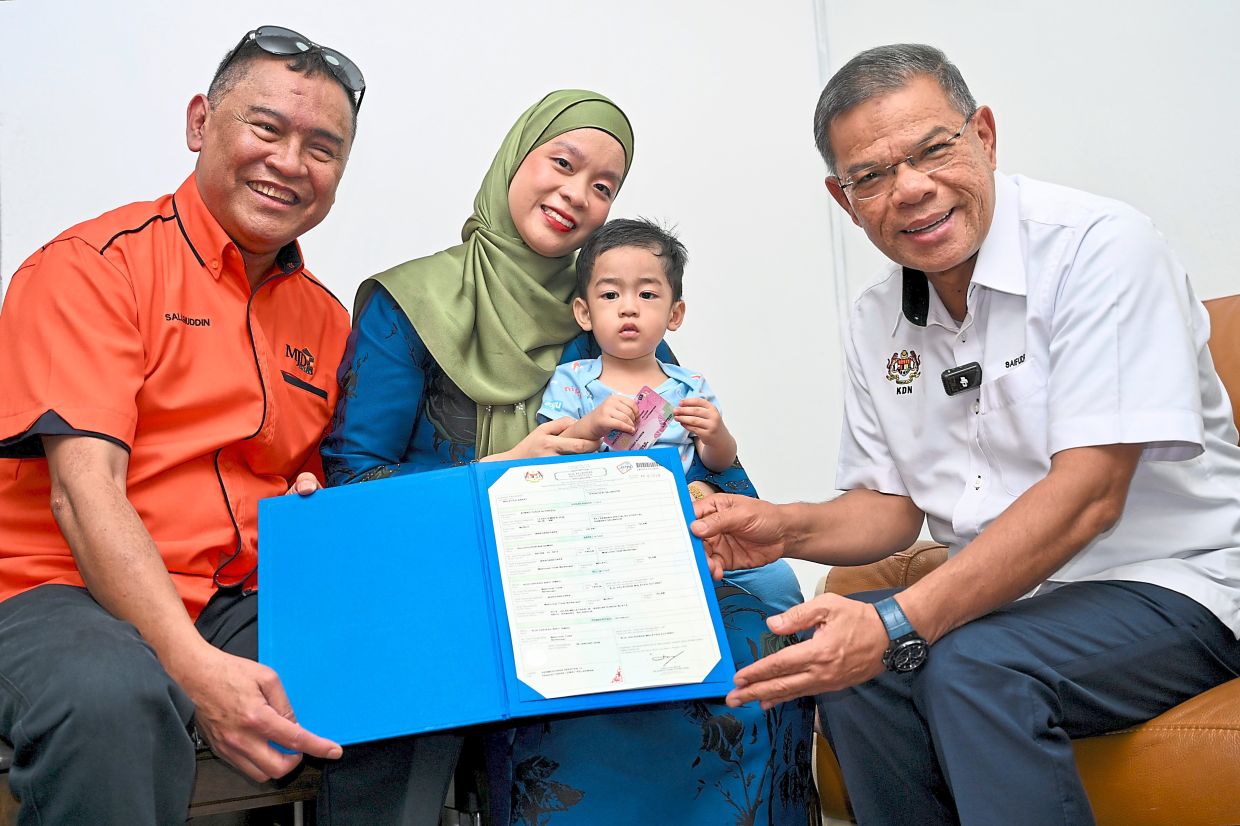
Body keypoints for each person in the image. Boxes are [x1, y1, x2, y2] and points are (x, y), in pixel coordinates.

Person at [691, 43, 1240, 826]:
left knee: (970, 667)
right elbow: (889, 505)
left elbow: (1090, 495)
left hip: (1177, 589)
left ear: (983, 133)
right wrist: (783, 528)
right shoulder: (877, 317)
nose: (910, 189)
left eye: (933, 149)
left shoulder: (1101, 248)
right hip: (1010, 603)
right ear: (843, 199)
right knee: (857, 674)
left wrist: (894, 621)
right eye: (871, 176)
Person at [322, 90, 816, 825]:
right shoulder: (412, 303)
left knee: (769, 607)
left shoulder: (607, 302)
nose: (576, 194)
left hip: (606, 563)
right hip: (458, 561)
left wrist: (715, 494)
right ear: (515, 162)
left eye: (603, 186)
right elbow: (354, 482)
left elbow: (698, 460)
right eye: (563, 163)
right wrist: (499, 472)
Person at [0, 25, 399, 825]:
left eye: (322, 149)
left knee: (395, 665)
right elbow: (84, 497)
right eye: (267, 128)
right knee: (112, 697)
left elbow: (328, 497)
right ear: (198, 124)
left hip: (228, 596)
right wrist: (195, 669)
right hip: (55, 590)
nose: (290, 163)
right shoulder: (91, 267)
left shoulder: (326, 320)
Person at [538, 218, 737, 475]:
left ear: (674, 315)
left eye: (646, 295)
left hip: (672, 506)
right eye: (610, 295)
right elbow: (550, 452)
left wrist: (717, 436)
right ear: (585, 314)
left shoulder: (691, 388)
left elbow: (717, 463)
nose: (629, 308)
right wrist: (591, 425)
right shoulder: (571, 379)